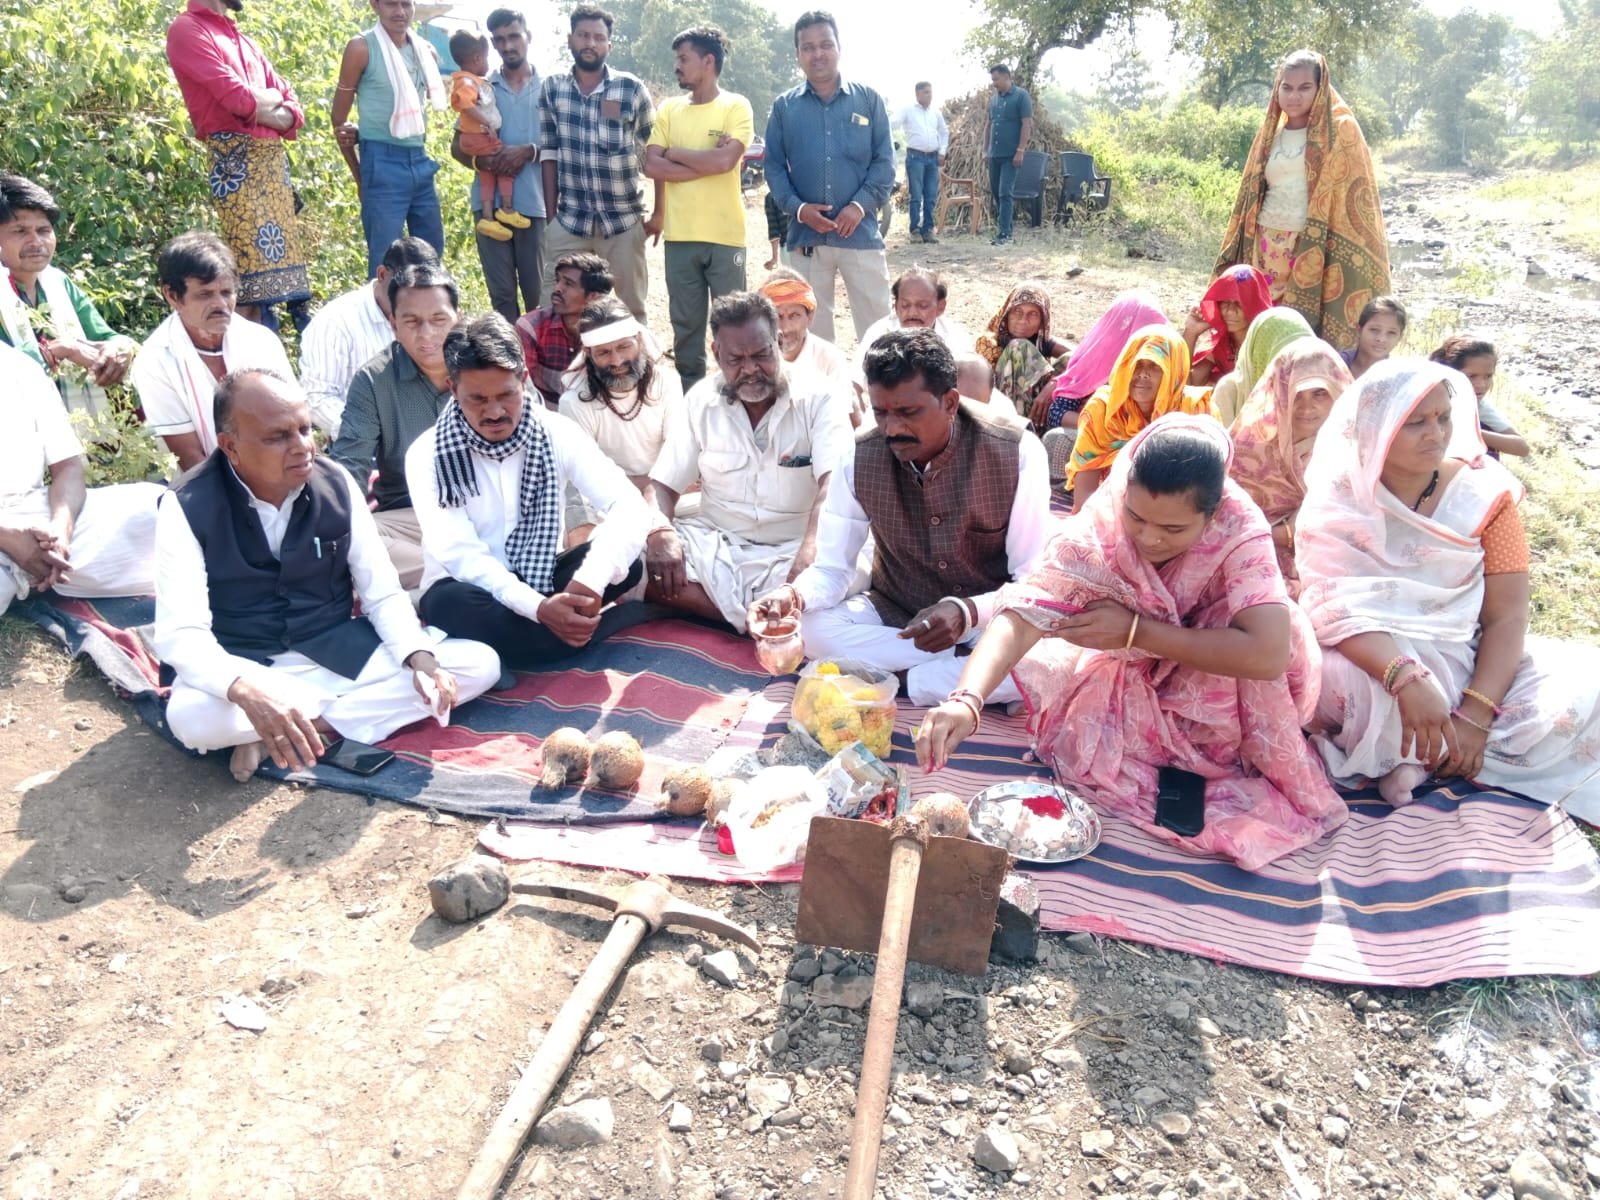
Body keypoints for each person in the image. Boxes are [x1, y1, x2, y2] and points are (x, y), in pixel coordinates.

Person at [916, 416, 1347, 870]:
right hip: (1138, 664)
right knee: (1087, 744)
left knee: (1244, 627)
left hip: (1224, 674)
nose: (1148, 538)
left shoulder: (1242, 529)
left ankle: (1222, 757)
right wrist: (966, 700)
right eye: (1136, 518)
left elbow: (1268, 653)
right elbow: (1027, 611)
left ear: (1214, 513)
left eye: (1173, 529)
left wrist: (1137, 632)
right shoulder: (1106, 513)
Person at [153, 368, 499, 783]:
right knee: (192, 719)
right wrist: (247, 690)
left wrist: (420, 660)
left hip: (337, 649)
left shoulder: (336, 484)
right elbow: (182, 634)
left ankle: (305, 729)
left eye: (304, 429)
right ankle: (297, 718)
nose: (302, 447)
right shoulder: (187, 505)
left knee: (478, 665)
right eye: (278, 436)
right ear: (230, 446)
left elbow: (383, 595)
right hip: (244, 660)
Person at [1297, 359, 1600, 822]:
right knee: (1344, 687)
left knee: (1582, 696)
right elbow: (1328, 606)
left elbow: (1507, 616)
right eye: (1415, 422)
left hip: (1458, 655)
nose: (1435, 433)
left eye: (1443, 417)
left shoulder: (1484, 496)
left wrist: (1477, 715)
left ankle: (1416, 755)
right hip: (1367, 656)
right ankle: (1412, 755)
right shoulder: (1341, 495)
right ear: (1375, 430)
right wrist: (1405, 676)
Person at [750, 329, 1048, 703]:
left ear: (951, 403)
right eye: (881, 412)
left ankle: (909, 681)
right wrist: (792, 595)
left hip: (988, 619)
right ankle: (967, 670)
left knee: (1045, 659)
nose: (892, 428)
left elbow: (1031, 581)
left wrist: (966, 613)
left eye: (908, 413)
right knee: (809, 629)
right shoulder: (859, 457)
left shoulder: (1017, 452)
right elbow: (832, 569)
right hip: (898, 611)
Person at [408, 314, 662, 669]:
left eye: (506, 395)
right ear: (452, 389)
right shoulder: (426, 454)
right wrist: (538, 608)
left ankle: (536, 642)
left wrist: (588, 583)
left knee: (628, 564)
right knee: (449, 605)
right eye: (477, 399)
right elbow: (460, 555)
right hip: (472, 588)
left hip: (543, 575)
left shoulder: (556, 432)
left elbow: (628, 506)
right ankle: (576, 635)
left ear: (524, 381)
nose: (494, 411)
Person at [646, 291, 852, 631]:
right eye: (735, 360)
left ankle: (735, 613)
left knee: (841, 574)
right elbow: (663, 485)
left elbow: (835, 485)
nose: (751, 370)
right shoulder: (701, 400)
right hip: (716, 545)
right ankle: (760, 619)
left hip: (793, 546)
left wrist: (810, 551)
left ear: (779, 341)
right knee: (629, 560)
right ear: (716, 354)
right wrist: (660, 533)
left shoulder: (820, 398)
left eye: (761, 354)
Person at [1217, 49, 1389, 351]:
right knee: (1265, 318)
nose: (1293, 96)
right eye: (1286, 87)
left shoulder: (1342, 132)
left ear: (1320, 89)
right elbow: (1254, 191)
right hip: (1267, 240)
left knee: (1300, 326)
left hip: (1313, 243)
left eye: (1304, 88)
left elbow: (1351, 191)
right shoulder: (1271, 134)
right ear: (1277, 88)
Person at [165, 0, 311, 331]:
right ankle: (250, 375)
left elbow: (295, 110)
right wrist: (270, 103)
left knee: (291, 293)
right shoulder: (187, 29)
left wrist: (263, 104)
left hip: (273, 167)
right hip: (235, 164)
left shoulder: (243, 39)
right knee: (249, 293)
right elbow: (236, 98)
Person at [0, 343, 160, 617]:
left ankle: (43, 564)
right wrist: (8, 537)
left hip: (32, 515)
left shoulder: (20, 368)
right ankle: (25, 571)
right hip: (9, 530)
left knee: (155, 508)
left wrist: (60, 531)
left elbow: (68, 468)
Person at [764, 10, 895, 343]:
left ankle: (880, 395)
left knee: (879, 332)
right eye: (807, 47)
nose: (817, 53)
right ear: (797, 54)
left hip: (860, 233)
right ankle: (820, 396)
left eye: (825, 44)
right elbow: (775, 167)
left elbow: (884, 163)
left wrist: (859, 206)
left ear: (839, 48)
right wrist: (798, 208)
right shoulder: (784, 108)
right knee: (809, 338)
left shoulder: (868, 100)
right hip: (806, 236)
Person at [329, 263, 461, 591]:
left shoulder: (487, 360)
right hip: (412, 518)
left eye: (438, 320)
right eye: (412, 322)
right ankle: (472, 575)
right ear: (393, 323)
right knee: (352, 540)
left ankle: (448, 579)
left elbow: (539, 441)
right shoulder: (373, 380)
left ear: (457, 317)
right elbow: (351, 465)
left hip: (489, 509)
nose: (427, 334)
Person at [642, 26, 754, 392]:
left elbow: (725, 162)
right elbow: (650, 166)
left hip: (726, 237)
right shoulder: (670, 110)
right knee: (686, 326)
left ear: (708, 61)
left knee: (734, 323)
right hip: (680, 237)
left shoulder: (736, 105)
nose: (677, 66)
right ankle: (692, 397)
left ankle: (736, 393)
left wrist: (673, 152)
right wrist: (705, 161)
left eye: (683, 59)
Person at [132, 231, 296, 472]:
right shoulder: (155, 360)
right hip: (206, 487)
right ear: (172, 296)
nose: (220, 305)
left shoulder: (261, 342)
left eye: (227, 293)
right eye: (205, 294)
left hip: (279, 475)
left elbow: (293, 424)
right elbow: (189, 457)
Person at [538, 4, 659, 322]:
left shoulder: (630, 88)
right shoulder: (553, 89)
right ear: (570, 40)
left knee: (631, 308)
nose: (590, 43)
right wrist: (552, 219)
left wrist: (659, 213)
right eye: (583, 35)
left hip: (621, 220)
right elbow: (549, 153)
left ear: (609, 45)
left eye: (598, 37)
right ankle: (560, 369)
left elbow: (656, 150)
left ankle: (636, 369)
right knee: (554, 307)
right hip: (571, 220)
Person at [0, 173, 136, 418]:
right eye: (20, 231)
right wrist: (58, 350)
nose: (36, 241)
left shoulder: (57, 283)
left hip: (76, 430)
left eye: (44, 230)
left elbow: (108, 337)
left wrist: (118, 350)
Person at [331, 0, 449, 277]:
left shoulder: (424, 50)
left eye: (406, 4)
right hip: (380, 160)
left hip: (419, 159)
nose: (400, 12)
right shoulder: (362, 47)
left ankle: (428, 319)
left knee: (432, 257)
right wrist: (360, 175)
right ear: (375, 5)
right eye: (390, 4)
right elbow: (339, 120)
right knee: (384, 263)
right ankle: (382, 321)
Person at [1226, 340, 1351, 596]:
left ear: (1337, 391)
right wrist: (1280, 534)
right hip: (1253, 556)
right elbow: (1225, 521)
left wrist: (1298, 531)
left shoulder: (1356, 448)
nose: (1306, 408)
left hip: (1336, 564)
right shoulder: (1249, 446)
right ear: (1279, 395)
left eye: (1319, 393)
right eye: (1295, 395)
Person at [448, 8, 546, 325]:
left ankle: (541, 372)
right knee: (502, 297)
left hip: (535, 206)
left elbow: (568, 146)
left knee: (538, 297)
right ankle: (508, 370)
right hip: (488, 209)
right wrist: (486, 161)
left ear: (528, 37)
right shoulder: (478, 87)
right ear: (492, 44)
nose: (508, 46)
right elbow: (457, 146)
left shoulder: (551, 88)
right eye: (500, 40)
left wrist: (529, 151)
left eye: (514, 36)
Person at [558, 296, 684, 534]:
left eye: (624, 347)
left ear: (639, 340)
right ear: (589, 354)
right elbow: (585, 478)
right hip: (609, 500)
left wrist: (653, 491)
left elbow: (676, 457)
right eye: (604, 352)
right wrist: (642, 486)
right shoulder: (574, 402)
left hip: (666, 492)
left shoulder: (667, 382)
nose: (617, 361)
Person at [299, 236, 438, 438]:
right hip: (364, 446)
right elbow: (317, 397)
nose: (413, 301)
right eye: (406, 289)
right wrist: (368, 433)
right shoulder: (336, 321)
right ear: (382, 274)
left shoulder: (438, 316)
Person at [1067, 326, 1213, 512]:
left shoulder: (1196, 410)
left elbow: (1207, 486)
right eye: (1137, 364)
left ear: (1174, 371)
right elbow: (1085, 491)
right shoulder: (1104, 410)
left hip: (1177, 516)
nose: (1142, 373)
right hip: (1110, 509)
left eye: (1154, 366)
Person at [1035, 290, 1168, 485]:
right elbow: (1056, 413)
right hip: (1100, 440)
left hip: (1146, 446)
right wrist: (1106, 428)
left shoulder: (1160, 360)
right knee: (1058, 440)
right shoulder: (1096, 358)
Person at [446, 29, 527, 244]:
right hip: (479, 138)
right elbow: (465, 105)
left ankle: (489, 218)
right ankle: (507, 209)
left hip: (477, 139)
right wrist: (486, 122)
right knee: (504, 164)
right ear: (477, 58)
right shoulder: (469, 82)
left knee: (487, 175)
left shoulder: (475, 82)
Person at [515, 251, 615, 408]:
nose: (557, 288)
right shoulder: (530, 327)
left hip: (595, 412)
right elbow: (520, 387)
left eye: (568, 283)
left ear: (593, 297)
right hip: (544, 414)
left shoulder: (611, 331)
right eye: (558, 281)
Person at [758, 271, 854, 412]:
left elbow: (844, 415)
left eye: (794, 315)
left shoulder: (829, 358)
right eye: (777, 316)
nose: (785, 328)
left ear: (810, 317)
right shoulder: (751, 360)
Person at [1205, 306, 1315, 428]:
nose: (1289, 366)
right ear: (1260, 353)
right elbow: (1223, 444)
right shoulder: (1230, 392)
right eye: (1279, 356)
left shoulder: (1322, 389)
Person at [975, 283, 1070, 417]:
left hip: (1036, 411)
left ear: (1042, 321)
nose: (1023, 320)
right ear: (1007, 314)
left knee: (1070, 359)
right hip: (999, 414)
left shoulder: (1041, 341)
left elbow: (1081, 356)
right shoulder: (988, 343)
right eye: (1017, 312)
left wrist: (1052, 385)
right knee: (1019, 347)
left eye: (1033, 314)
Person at [854, 268, 972, 371]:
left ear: (940, 307)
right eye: (905, 305)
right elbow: (855, 382)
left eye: (922, 306)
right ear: (895, 306)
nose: (912, 313)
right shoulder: (878, 333)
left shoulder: (956, 338)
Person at [1429, 335, 1528, 457]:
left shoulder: (1477, 404)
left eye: (1488, 376)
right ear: (1450, 372)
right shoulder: (1425, 397)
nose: (1481, 385)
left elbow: (1522, 447)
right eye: (1471, 376)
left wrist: (1471, 432)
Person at [1185, 264, 1272, 386]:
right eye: (1225, 302)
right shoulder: (1220, 343)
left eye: (1240, 303)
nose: (1230, 310)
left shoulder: (1270, 342)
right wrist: (1191, 332)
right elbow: (1188, 384)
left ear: (1256, 304)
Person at [893, 82, 949, 245]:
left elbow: (944, 132)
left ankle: (928, 230)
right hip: (915, 157)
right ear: (917, 94)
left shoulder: (935, 112)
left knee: (931, 195)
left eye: (930, 92)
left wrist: (942, 152)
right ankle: (915, 230)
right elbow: (891, 124)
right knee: (916, 195)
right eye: (925, 93)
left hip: (933, 158)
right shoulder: (908, 109)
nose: (929, 96)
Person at [985, 64, 1033, 248]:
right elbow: (988, 126)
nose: (994, 84)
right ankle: (1004, 230)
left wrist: (1020, 150)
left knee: (1006, 192)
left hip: (1011, 155)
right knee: (997, 192)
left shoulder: (1021, 96)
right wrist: (985, 150)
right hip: (994, 155)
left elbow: (1026, 124)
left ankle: (1005, 234)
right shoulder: (994, 100)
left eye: (996, 79)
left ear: (1006, 77)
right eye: (992, 80)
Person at [1343, 295, 1406, 380]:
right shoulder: (1337, 364)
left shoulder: (1398, 377)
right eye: (1374, 329)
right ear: (1359, 330)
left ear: (1400, 338)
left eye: (1391, 332)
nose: (1381, 339)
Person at [763, 188, 790, 270]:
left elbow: (773, 229)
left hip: (789, 248)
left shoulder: (771, 196)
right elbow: (773, 230)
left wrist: (774, 258)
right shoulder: (772, 197)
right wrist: (774, 258)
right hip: (806, 246)